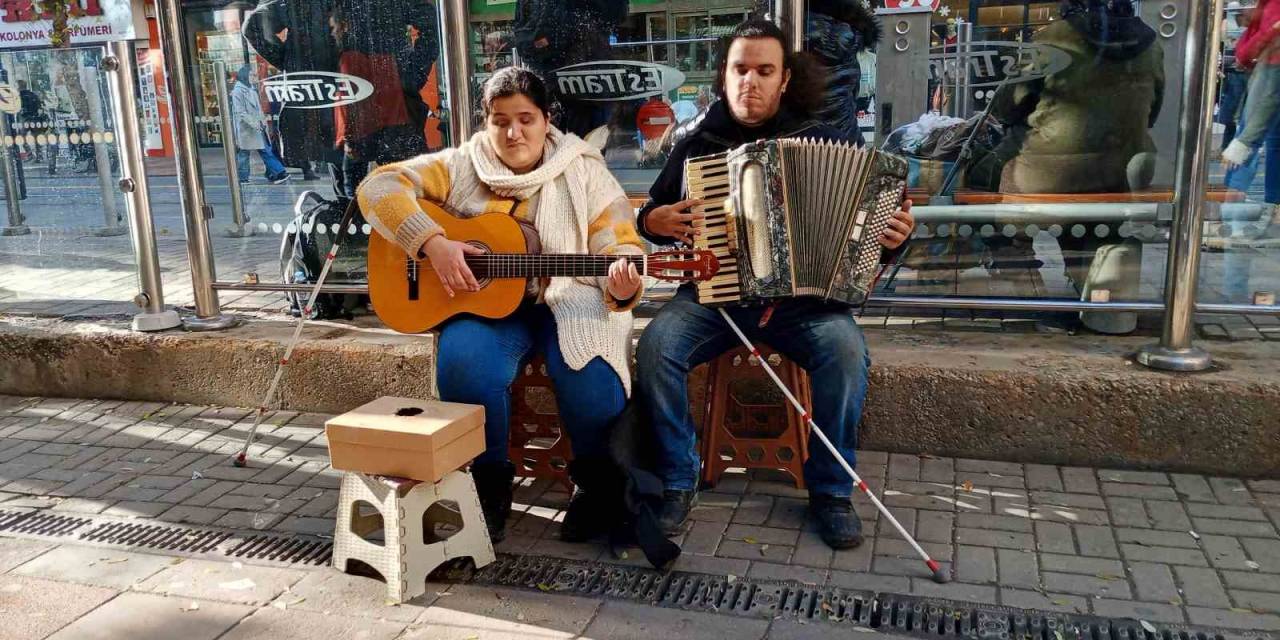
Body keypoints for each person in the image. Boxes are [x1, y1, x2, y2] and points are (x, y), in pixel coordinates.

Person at [633, 19, 916, 551]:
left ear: (785, 79)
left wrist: (893, 236)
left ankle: (831, 490)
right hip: (715, 299)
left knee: (846, 352)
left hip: (804, 304)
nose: (751, 82)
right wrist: (655, 223)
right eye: (741, 69)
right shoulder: (699, 143)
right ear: (724, 75)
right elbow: (652, 213)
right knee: (656, 347)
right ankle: (676, 477)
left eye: (765, 71)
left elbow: (869, 234)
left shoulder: (827, 137)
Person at [356, 67, 645, 544]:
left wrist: (621, 276)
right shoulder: (460, 166)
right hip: (488, 311)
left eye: (526, 119)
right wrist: (432, 244)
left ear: (547, 119)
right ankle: (487, 487)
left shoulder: (585, 171)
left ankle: (596, 488)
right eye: (500, 120)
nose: (513, 133)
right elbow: (377, 189)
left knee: (593, 378)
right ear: (485, 123)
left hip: (568, 300)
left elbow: (619, 242)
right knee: (465, 365)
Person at [231, 65, 289, 184]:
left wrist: (262, 123)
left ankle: (278, 172)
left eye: (254, 75)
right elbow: (240, 112)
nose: (254, 77)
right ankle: (244, 178)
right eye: (251, 75)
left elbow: (259, 110)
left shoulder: (252, 89)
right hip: (246, 128)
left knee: (264, 151)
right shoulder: (238, 91)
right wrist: (255, 124)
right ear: (245, 76)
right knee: (245, 153)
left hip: (257, 127)